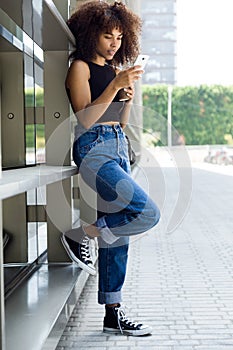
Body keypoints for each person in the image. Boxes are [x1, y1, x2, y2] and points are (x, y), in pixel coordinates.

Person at [62, 0, 160, 336]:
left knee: (118, 232)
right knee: (146, 212)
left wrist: (127, 97)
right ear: (92, 35)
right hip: (94, 150)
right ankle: (79, 234)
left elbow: (120, 122)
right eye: (107, 35)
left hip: (118, 147)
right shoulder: (81, 68)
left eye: (119, 36)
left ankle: (112, 313)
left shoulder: (114, 71)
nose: (114, 42)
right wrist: (116, 86)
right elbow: (86, 119)